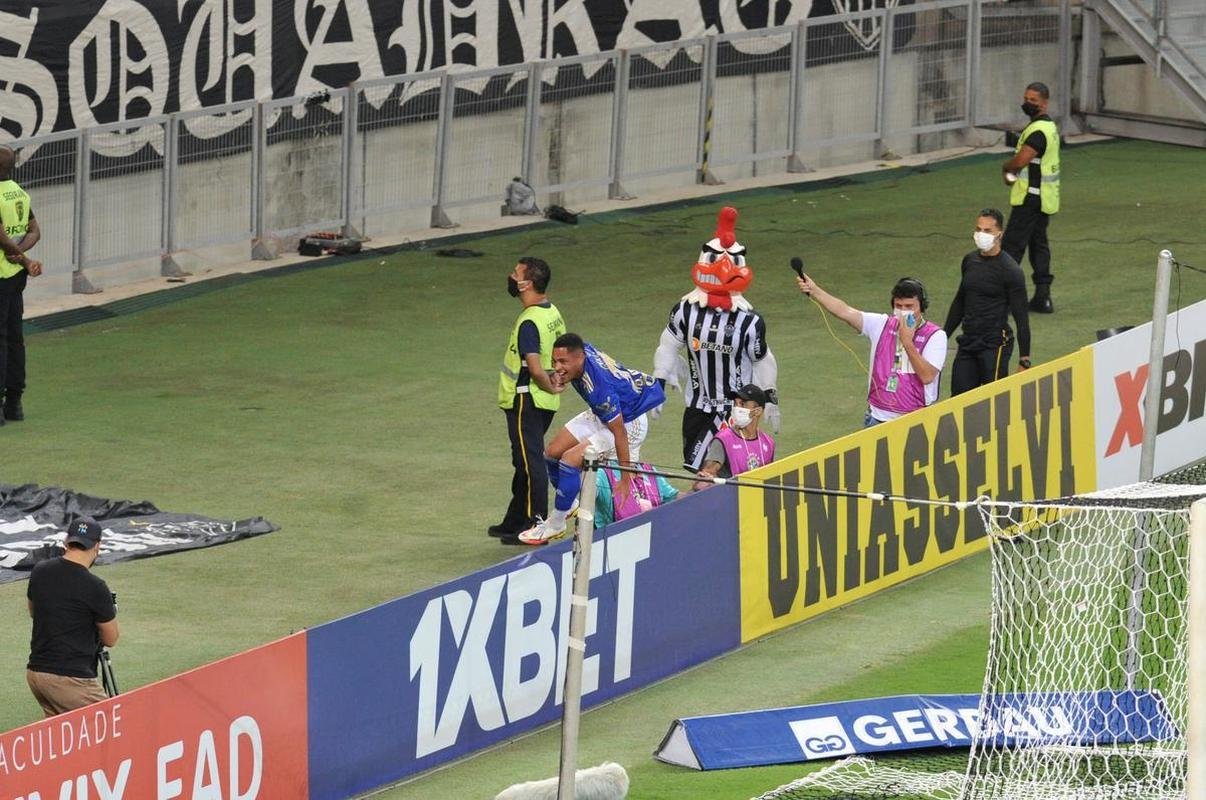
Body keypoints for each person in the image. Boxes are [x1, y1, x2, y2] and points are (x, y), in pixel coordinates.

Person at [654, 206, 780, 473]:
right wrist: (659, 381)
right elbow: (667, 345)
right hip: (698, 409)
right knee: (702, 476)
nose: (723, 268)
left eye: (731, 261)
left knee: (724, 475)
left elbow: (762, 359)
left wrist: (769, 398)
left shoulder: (750, 321)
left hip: (737, 410)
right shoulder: (685, 310)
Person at [513, 333, 666, 545]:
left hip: (628, 423)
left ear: (580, 358)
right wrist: (558, 375)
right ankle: (570, 503)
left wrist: (624, 478)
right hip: (606, 412)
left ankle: (556, 523)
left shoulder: (599, 389)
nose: (557, 367)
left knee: (569, 460)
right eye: (555, 361)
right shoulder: (581, 351)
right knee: (551, 454)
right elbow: (569, 368)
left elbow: (619, 432)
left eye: (563, 362)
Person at [796, 274, 947, 427]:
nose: (903, 312)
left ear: (922, 306)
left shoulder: (935, 336)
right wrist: (815, 291)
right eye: (898, 306)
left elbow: (927, 376)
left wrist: (907, 342)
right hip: (876, 418)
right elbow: (845, 311)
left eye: (909, 307)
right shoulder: (881, 324)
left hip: (915, 421)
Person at [492, 257, 567, 540]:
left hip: (527, 400)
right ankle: (515, 518)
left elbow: (534, 368)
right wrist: (558, 384)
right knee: (522, 459)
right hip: (542, 403)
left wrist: (548, 386)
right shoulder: (552, 313)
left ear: (527, 284)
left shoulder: (529, 322)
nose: (511, 277)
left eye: (516, 274)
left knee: (531, 462)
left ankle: (534, 526)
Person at [26, 518, 119, 717]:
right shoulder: (95, 586)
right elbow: (111, 639)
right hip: (70, 680)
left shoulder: (40, 570)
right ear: (97, 546)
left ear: (67, 541)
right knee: (111, 726)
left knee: (62, 741)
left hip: (37, 675)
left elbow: (34, 612)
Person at [944, 208, 1032, 396]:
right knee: (959, 399)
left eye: (987, 230)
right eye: (978, 229)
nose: (981, 235)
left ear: (999, 233)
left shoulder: (1011, 271)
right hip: (968, 341)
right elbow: (960, 300)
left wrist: (1025, 359)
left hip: (995, 344)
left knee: (995, 401)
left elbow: (1021, 317)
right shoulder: (969, 261)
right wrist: (942, 337)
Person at [1001, 82, 1060, 314]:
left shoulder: (1037, 131)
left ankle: (1004, 301)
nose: (1028, 103)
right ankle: (1043, 297)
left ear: (1045, 103)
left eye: (1033, 100)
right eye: (1026, 98)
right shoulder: (1049, 127)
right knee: (1038, 247)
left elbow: (1021, 160)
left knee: (1011, 249)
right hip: (1044, 199)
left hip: (1030, 199)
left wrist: (1006, 168)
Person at [0, 144, 44, 425]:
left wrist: (14, 253)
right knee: (16, 337)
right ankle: (14, 403)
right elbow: (35, 231)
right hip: (17, 278)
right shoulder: (19, 192)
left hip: (2, 275)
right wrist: (22, 256)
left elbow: (0, 235)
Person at [694, 384, 776, 490]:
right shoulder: (723, 440)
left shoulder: (768, 443)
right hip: (731, 501)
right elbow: (704, 478)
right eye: (736, 404)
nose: (737, 408)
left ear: (758, 411)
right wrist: (705, 480)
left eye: (742, 404)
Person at [593, 432, 679, 529]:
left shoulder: (648, 470)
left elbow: (674, 497)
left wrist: (697, 492)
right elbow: (586, 495)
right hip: (616, 539)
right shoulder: (603, 473)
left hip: (652, 536)